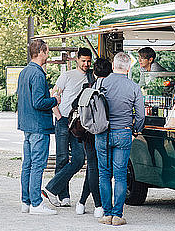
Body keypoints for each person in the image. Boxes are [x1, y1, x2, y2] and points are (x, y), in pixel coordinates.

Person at [96, 52, 145, 226]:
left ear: (114, 65)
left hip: (102, 133)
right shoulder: (133, 87)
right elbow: (140, 115)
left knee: (104, 174)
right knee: (120, 175)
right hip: (123, 133)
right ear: (128, 67)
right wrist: (135, 132)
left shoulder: (101, 83)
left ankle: (106, 214)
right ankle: (118, 215)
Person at [42, 47, 92, 207]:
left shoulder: (91, 77)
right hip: (63, 120)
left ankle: (51, 188)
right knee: (62, 158)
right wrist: (58, 116)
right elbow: (54, 94)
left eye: (88, 61)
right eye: (83, 61)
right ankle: (63, 195)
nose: (86, 64)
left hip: (79, 124)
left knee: (79, 159)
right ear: (77, 59)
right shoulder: (67, 76)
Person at [17, 39, 60, 215]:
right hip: (39, 126)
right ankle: (36, 203)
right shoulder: (38, 74)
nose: (48, 55)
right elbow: (38, 102)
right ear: (41, 52)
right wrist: (54, 100)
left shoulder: (24, 72)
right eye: (47, 51)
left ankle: (25, 201)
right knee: (37, 165)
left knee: (27, 165)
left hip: (26, 125)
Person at [75, 57, 112, 218]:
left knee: (92, 168)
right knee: (99, 170)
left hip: (88, 132)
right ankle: (98, 205)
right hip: (105, 132)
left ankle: (82, 203)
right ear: (110, 72)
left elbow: (74, 105)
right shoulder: (111, 89)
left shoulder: (87, 88)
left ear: (94, 72)